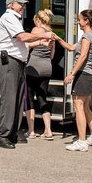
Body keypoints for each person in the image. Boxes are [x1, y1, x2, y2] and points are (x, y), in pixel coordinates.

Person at [0, 0, 55, 149]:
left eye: (23, 4)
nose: (23, 6)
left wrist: (39, 41)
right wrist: (43, 34)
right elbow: (22, 38)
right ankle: (2, 136)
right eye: (20, 4)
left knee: (18, 100)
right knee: (9, 99)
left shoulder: (16, 20)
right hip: (9, 62)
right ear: (11, 5)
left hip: (18, 63)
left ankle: (12, 133)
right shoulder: (8, 17)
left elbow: (23, 44)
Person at [52, 9, 92, 152]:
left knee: (78, 106)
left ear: (86, 21)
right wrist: (58, 38)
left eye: (79, 19)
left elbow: (83, 56)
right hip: (88, 75)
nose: (78, 22)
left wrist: (72, 74)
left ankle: (81, 141)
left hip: (83, 75)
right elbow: (71, 48)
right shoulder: (88, 35)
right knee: (85, 107)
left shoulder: (87, 36)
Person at [24, 9, 55, 140]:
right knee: (43, 98)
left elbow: (27, 45)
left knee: (30, 98)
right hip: (47, 68)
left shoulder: (36, 31)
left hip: (33, 67)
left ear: (37, 20)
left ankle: (31, 131)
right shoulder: (51, 34)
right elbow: (52, 55)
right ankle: (48, 130)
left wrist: (37, 43)